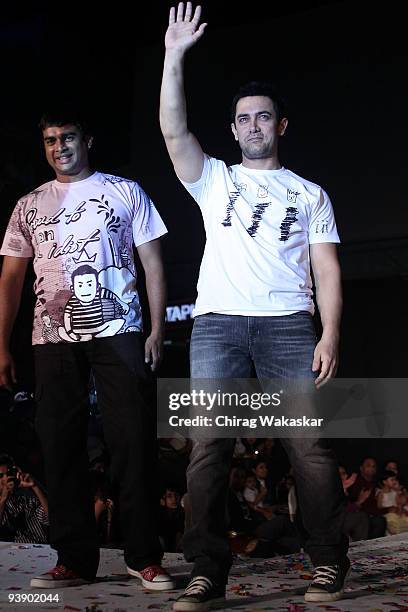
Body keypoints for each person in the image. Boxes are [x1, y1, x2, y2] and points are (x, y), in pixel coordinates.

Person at [160, 3, 348, 608]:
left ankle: (328, 562)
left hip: (289, 327)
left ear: (280, 126)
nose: (253, 125)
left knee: (309, 447)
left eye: (263, 117)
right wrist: (174, 54)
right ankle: (207, 571)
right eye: (243, 119)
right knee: (210, 446)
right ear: (235, 128)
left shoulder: (310, 192)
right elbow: (171, 130)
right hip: (217, 326)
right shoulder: (214, 178)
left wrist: (331, 334)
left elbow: (326, 267)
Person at [0, 108, 174, 590]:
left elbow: (152, 263)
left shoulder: (125, 191)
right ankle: (74, 559)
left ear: (87, 140)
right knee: (60, 447)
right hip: (52, 337)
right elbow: (11, 278)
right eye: (51, 140)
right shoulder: (29, 204)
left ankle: (144, 556)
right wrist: (2, 345)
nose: (60, 147)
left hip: (120, 330)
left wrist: (156, 328)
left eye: (68, 137)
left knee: (132, 442)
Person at [0, 453, 49, 543]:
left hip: (40, 552)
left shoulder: (26, 501)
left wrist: (35, 487)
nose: (6, 478)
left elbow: (52, 518)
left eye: (9, 473)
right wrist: (3, 498)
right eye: (0, 476)